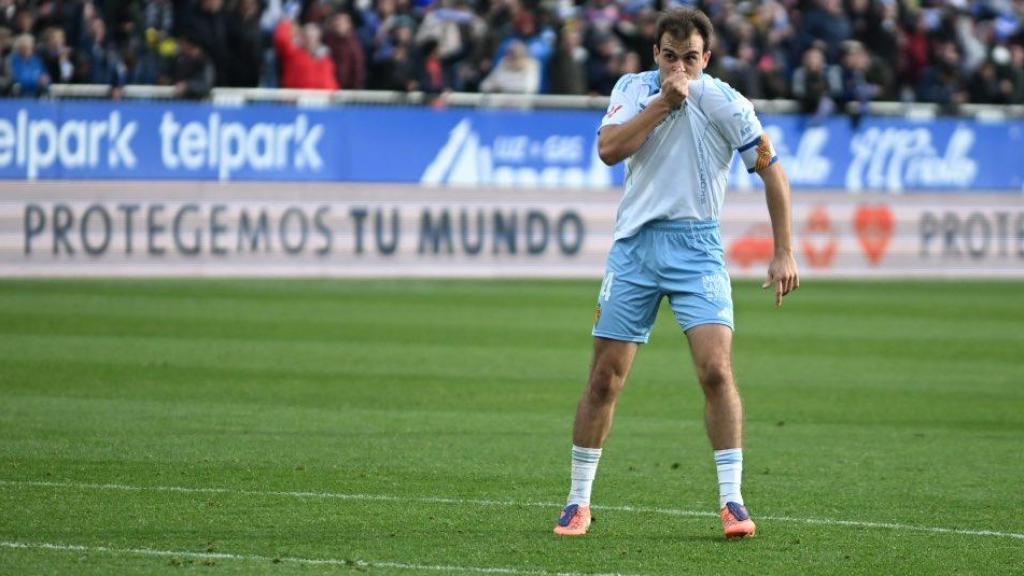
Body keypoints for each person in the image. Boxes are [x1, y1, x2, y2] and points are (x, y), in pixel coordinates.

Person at [553, 7, 799, 540]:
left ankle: (732, 501)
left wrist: (784, 251)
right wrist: (664, 103)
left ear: (706, 58)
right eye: (670, 57)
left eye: (691, 58)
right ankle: (577, 501)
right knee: (605, 378)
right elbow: (608, 150)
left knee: (716, 371)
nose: (680, 67)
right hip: (635, 249)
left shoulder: (726, 102)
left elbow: (772, 170)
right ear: (656, 55)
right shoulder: (635, 89)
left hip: (698, 249)